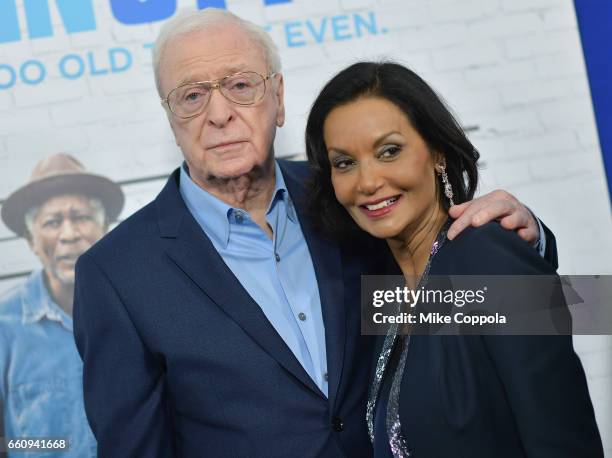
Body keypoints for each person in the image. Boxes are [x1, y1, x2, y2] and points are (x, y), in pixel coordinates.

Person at [73, 9, 556, 458]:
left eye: (241, 84)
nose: (218, 114)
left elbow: (476, 311)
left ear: (278, 99)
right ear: (171, 119)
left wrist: (522, 242)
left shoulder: (353, 196)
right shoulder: (115, 275)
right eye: (192, 96)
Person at [305, 61, 603, 457]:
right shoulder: (387, 289)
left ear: (437, 153)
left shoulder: (486, 255)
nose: (368, 182)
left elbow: (563, 438)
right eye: (345, 163)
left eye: (389, 151)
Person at [0, 153, 124, 457]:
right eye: (52, 222)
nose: (69, 235)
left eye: (81, 218)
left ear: (104, 227)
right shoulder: (4, 326)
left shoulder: (140, 308)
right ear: (31, 240)